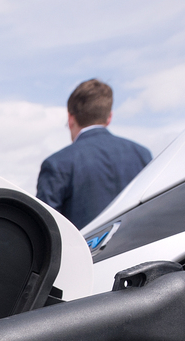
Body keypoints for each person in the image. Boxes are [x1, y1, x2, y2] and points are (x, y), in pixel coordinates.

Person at [36, 79, 152, 229]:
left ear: (71, 119)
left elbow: (44, 228)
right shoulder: (142, 155)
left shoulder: (57, 163)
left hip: (85, 251)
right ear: (109, 117)